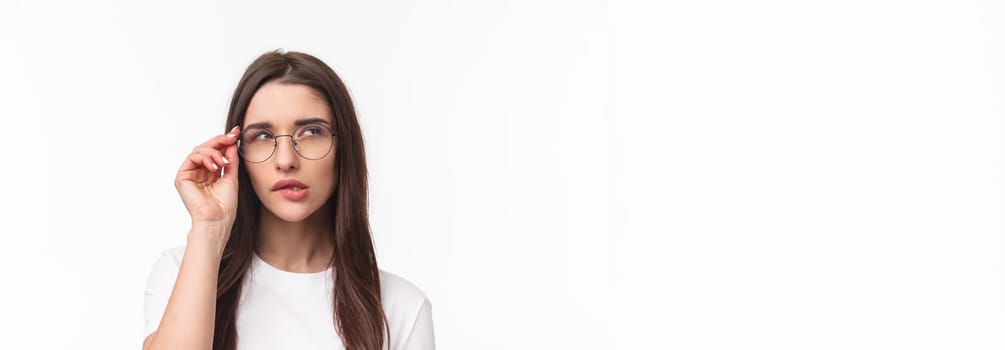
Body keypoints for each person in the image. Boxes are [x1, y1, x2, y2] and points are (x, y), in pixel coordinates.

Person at [142, 50, 435, 350]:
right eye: (263, 136)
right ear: (236, 151)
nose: (285, 160)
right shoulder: (183, 272)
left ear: (343, 146)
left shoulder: (402, 308)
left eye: (311, 131)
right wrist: (208, 227)